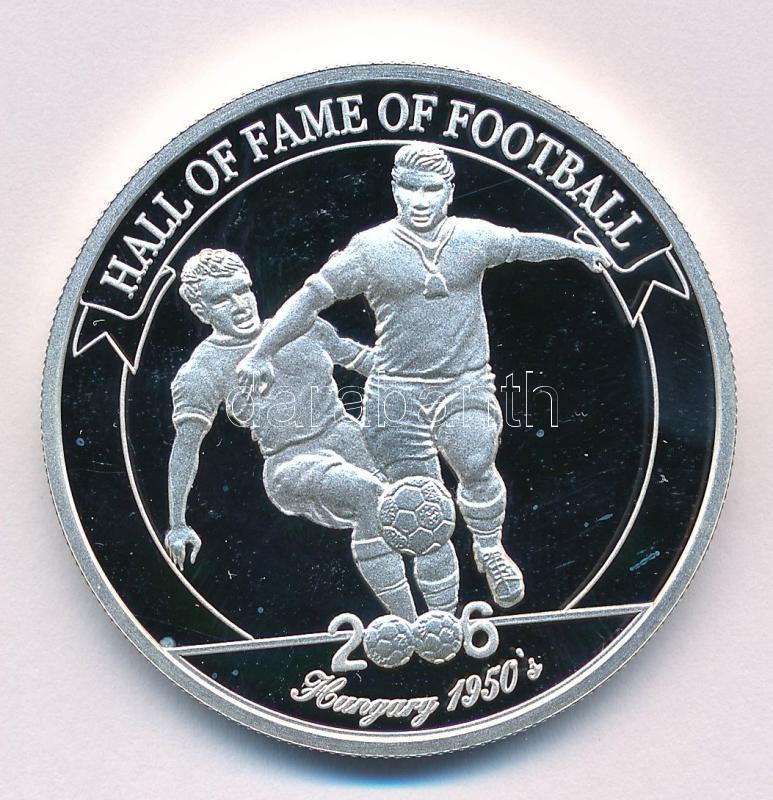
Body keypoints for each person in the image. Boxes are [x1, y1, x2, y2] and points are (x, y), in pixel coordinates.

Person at [237, 142, 611, 609]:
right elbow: (311, 299)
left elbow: (524, 245)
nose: (419, 200)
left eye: (430, 189)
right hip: (396, 394)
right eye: (410, 188)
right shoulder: (370, 249)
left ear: (448, 192)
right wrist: (261, 352)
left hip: (463, 383)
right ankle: (443, 615)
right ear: (395, 190)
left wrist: (577, 250)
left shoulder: (473, 237)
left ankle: (490, 548)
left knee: (475, 459)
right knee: (421, 506)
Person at [164, 247, 444, 622]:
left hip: (348, 437)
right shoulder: (202, 369)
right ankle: (411, 624)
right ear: (201, 310)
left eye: (242, 290)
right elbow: (186, 446)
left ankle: (443, 615)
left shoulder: (300, 324)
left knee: (423, 494)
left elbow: (363, 360)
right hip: (291, 463)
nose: (239, 304)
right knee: (370, 494)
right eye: (221, 299)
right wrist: (178, 523)